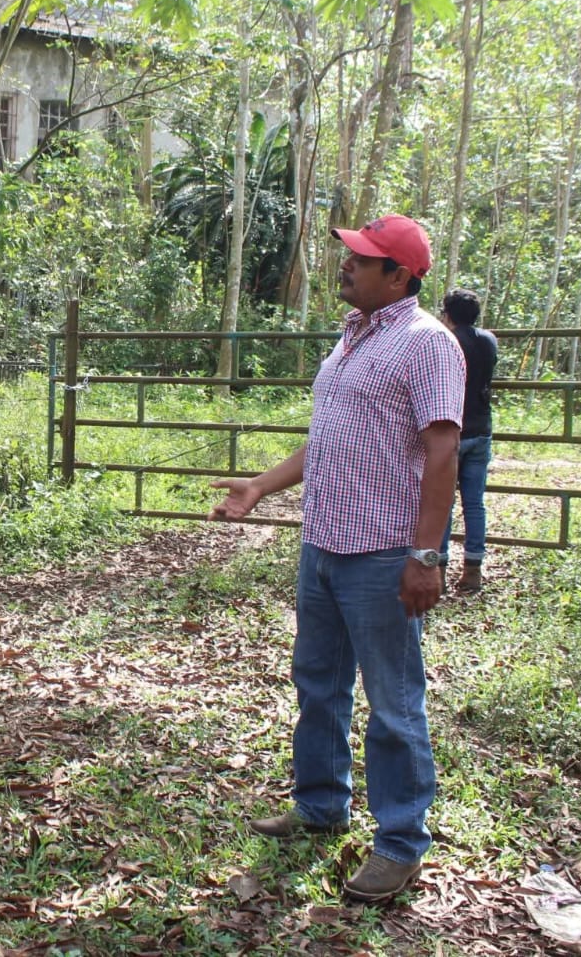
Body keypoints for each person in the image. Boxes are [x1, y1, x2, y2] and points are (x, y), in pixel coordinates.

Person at [209, 214, 463, 902]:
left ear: (400, 276)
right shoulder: (351, 340)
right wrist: (261, 486)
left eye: (363, 259)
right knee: (317, 683)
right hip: (323, 545)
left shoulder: (426, 345)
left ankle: (402, 843)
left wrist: (426, 555)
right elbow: (327, 438)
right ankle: (321, 805)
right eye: (349, 256)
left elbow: (442, 452)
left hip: (382, 556)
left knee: (392, 703)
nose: (345, 266)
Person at [440, 289, 498, 594]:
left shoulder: (445, 341)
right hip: (481, 429)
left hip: (452, 430)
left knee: (443, 501)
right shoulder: (488, 340)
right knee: (474, 503)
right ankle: (473, 568)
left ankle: (437, 567)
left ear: (448, 314)